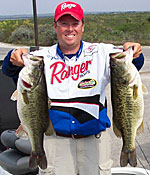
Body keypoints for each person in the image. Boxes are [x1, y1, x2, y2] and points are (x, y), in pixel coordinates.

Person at [2, 1, 144, 175]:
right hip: (55, 143)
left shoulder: (100, 52)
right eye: (64, 24)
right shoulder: (43, 56)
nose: (70, 29)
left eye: (75, 23)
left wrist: (134, 50)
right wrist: (13, 55)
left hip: (95, 142)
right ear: (55, 26)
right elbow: (9, 69)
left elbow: (132, 63)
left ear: (83, 26)